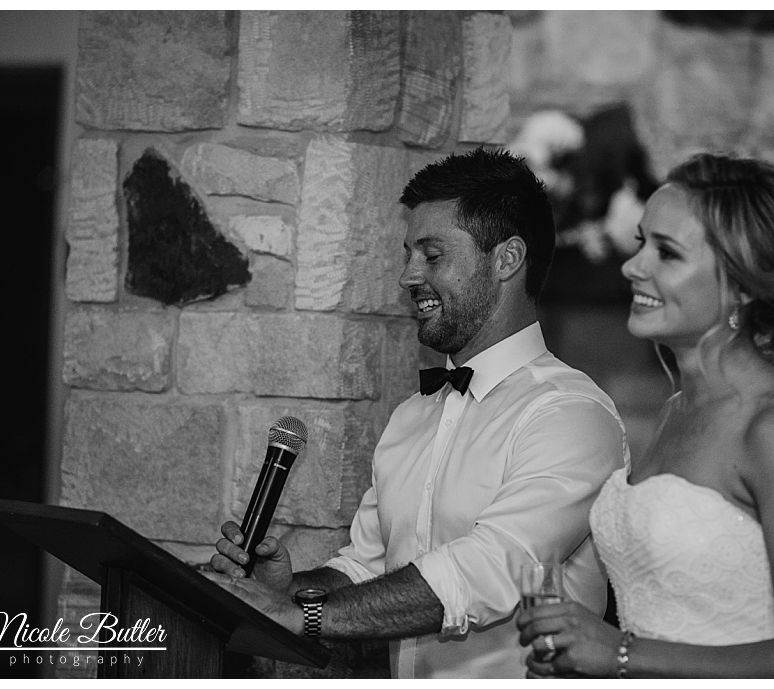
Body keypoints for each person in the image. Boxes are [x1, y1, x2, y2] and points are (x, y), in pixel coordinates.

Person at [209, 147, 626, 678]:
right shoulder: (412, 415)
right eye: (408, 255)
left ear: (507, 260)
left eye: (431, 256)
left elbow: (489, 567)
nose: (409, 276)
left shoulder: (570, 414)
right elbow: (366, 569)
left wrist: (304, 616)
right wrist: (289, 591)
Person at [517, 152, 774, 678]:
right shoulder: (678, 409)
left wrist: (619, 653)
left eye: (667, 253)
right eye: (640, 243)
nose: (633, 267)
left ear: (743, 285)